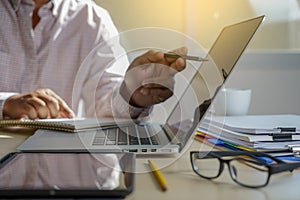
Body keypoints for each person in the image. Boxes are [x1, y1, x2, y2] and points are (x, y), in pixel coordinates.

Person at [0, 0, 186, 120]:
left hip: (73, 178)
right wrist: (5, 104)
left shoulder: (94, 21)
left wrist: (133, 93)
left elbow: (107, 109)